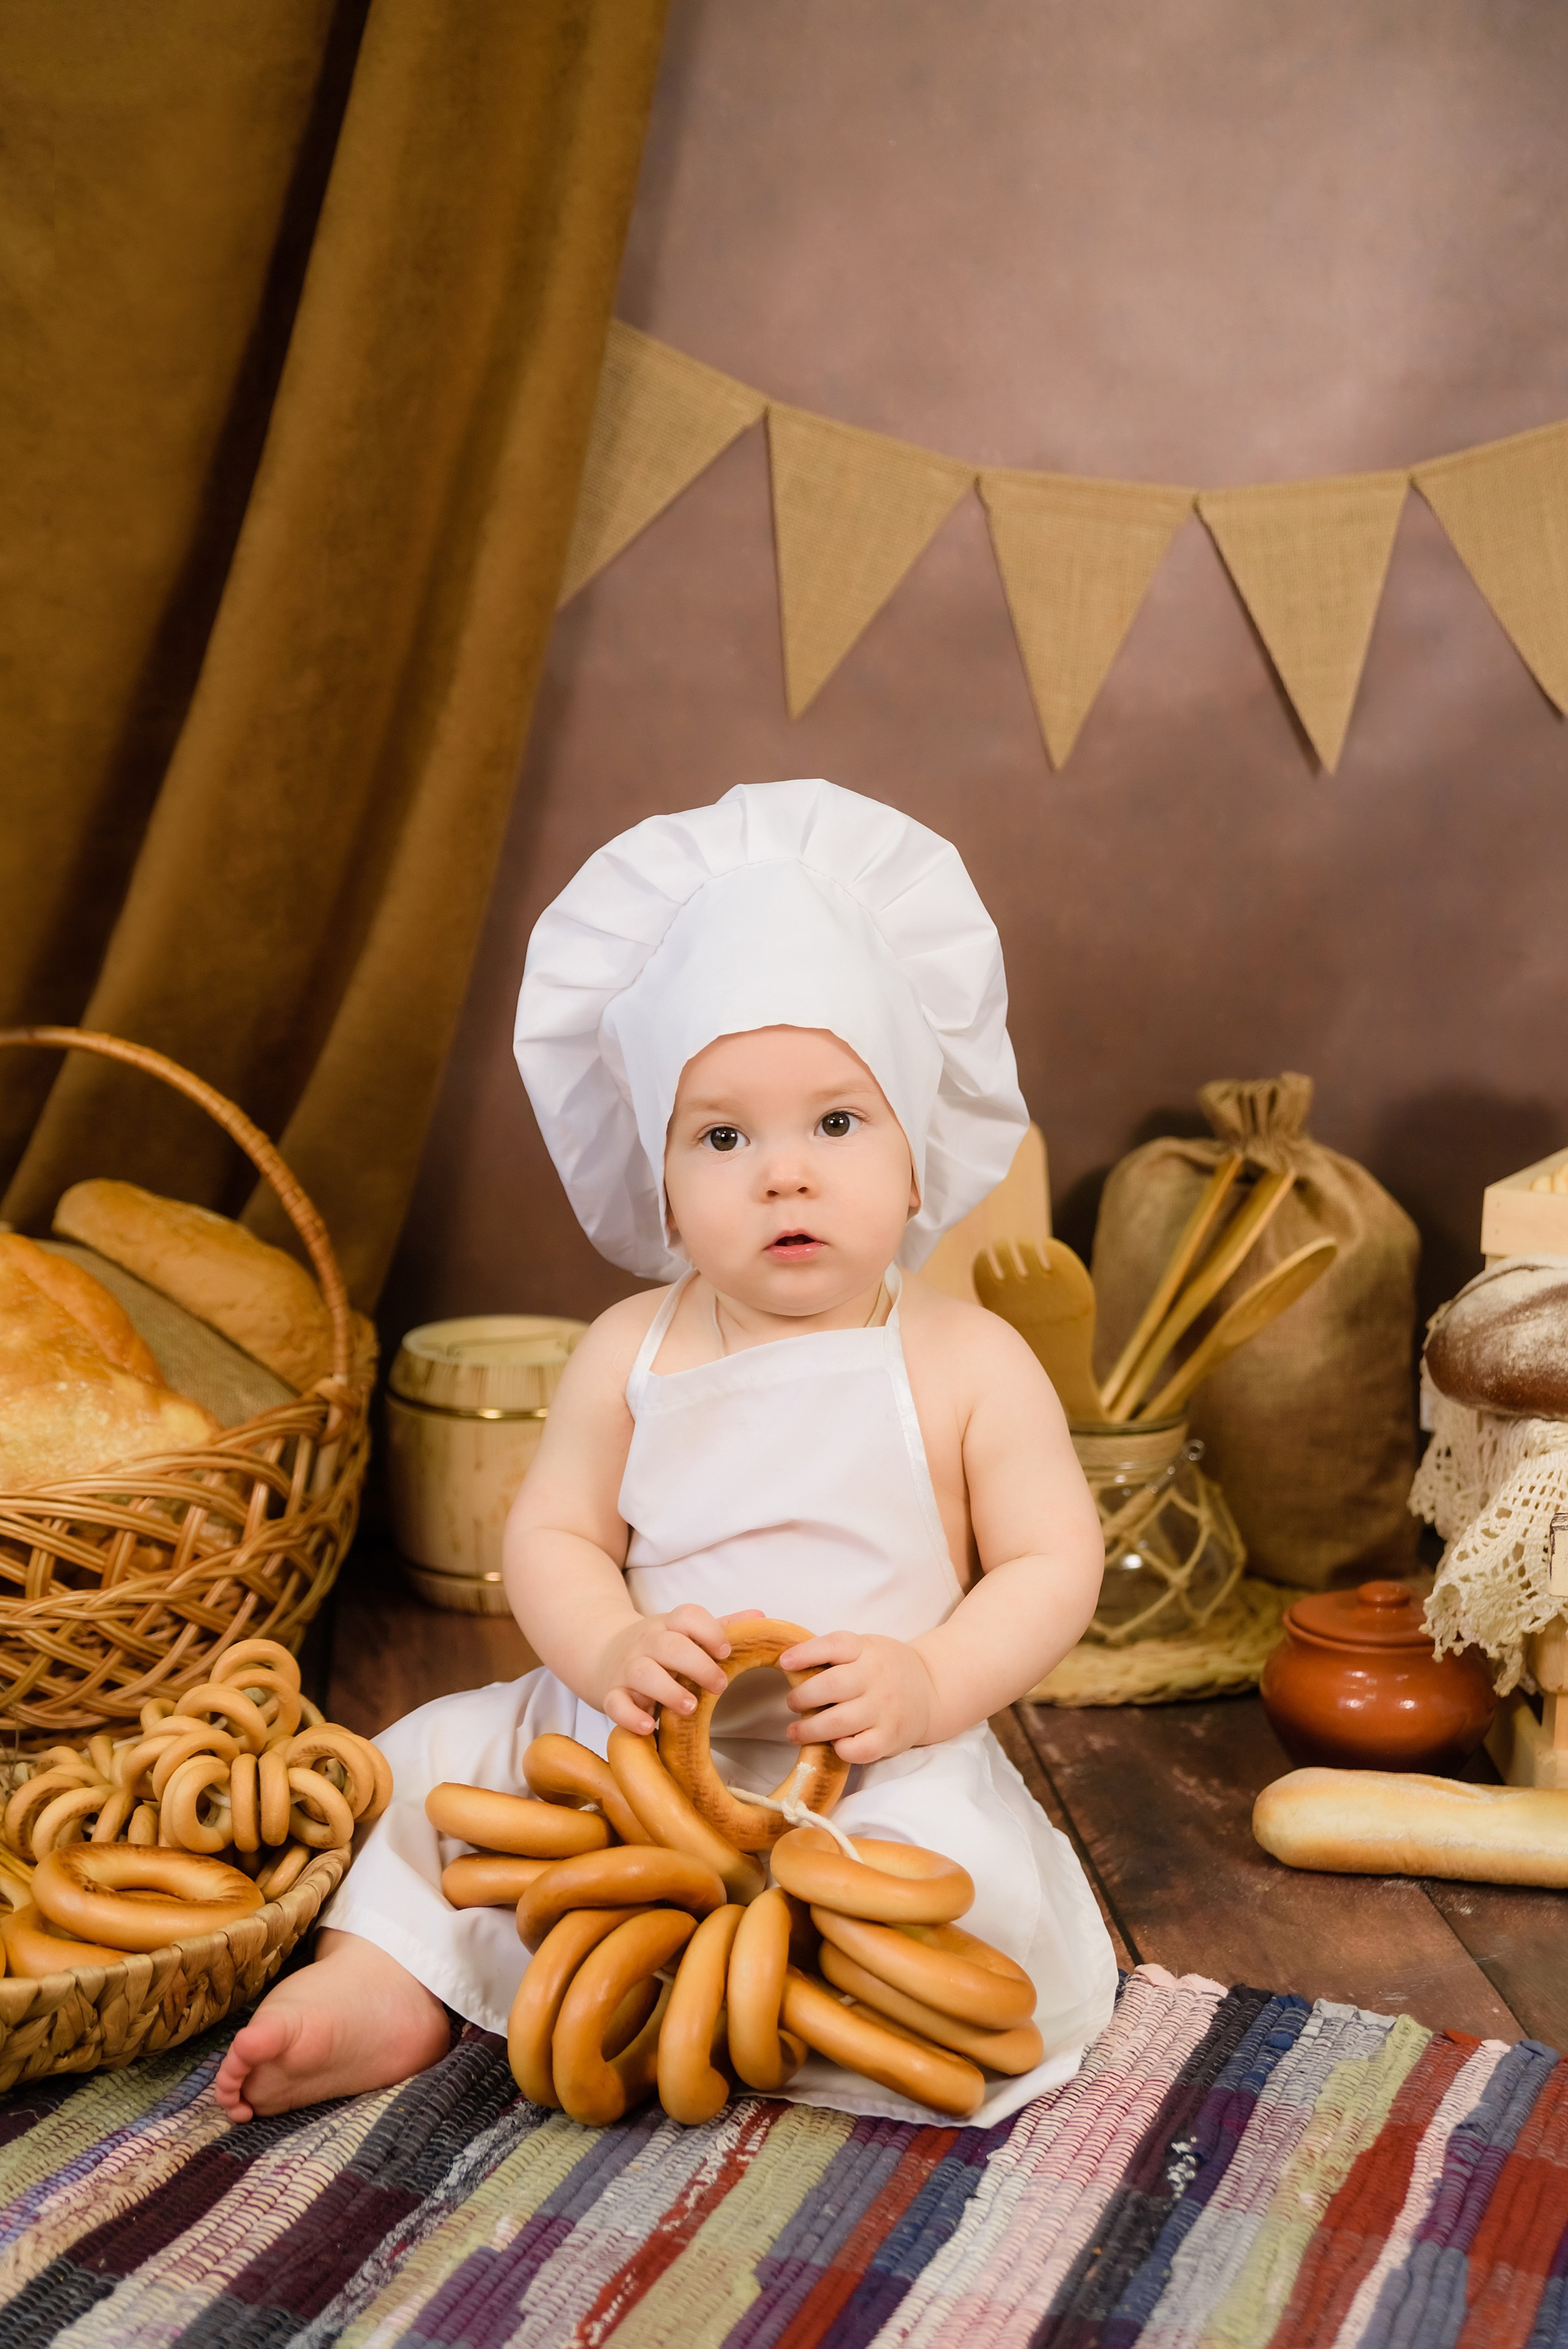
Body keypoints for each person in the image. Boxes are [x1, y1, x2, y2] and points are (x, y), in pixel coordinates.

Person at [215, 778, 1117, 2126]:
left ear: (918, 1158)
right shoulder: (633, 1345)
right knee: (423, 1775)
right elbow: (557, 1534)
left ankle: (768, 1999)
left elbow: (1052, 1560)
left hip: (866, 1764)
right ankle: (387, 1980)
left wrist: (928, 1679)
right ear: (659, 1179)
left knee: (949, 1884)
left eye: (835, 1120)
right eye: (721, 1135)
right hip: (627, 1745)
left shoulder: (967, 1357)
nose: (783, 1173)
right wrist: (608, 1650)